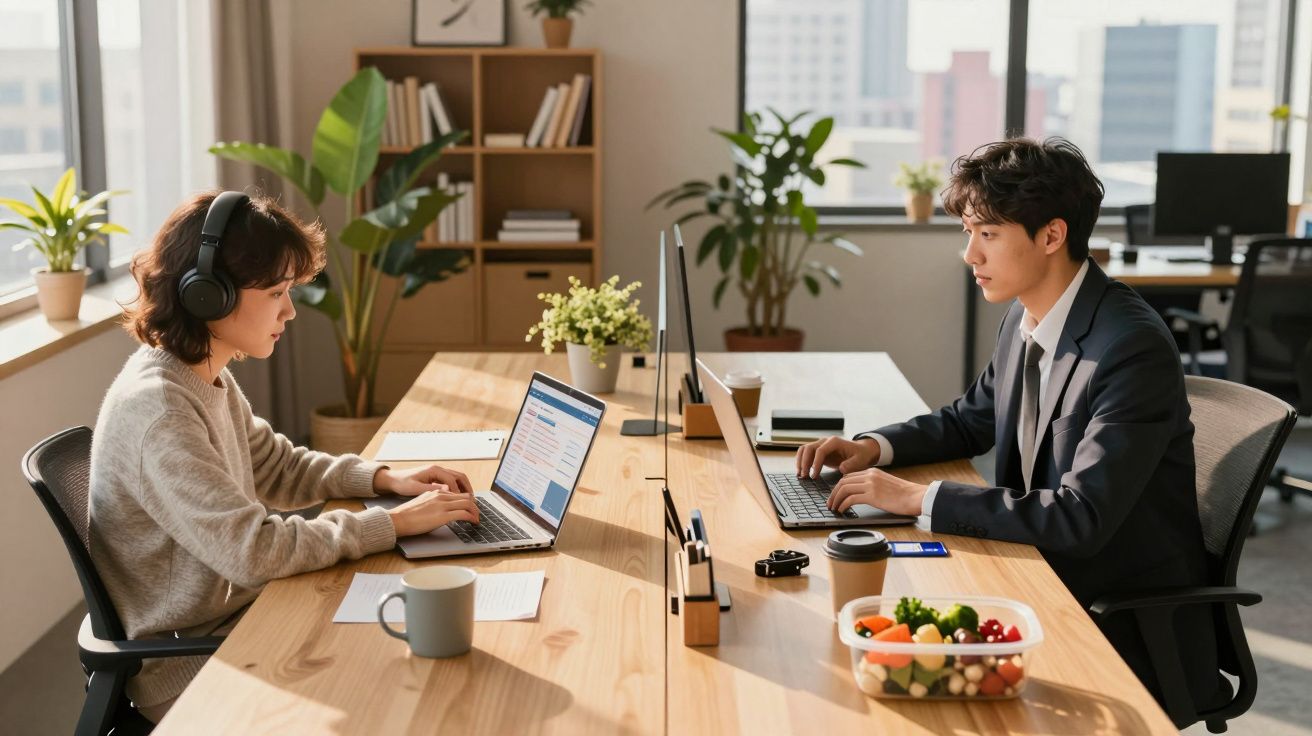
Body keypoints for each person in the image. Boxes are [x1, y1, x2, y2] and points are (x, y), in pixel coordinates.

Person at [796, 138, 1220, 715]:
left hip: (1114, 618)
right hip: (1038, 574)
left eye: (988, 235)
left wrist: (918, 497)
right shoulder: (1028, 312)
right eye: (968, 233)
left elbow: (1082, 517)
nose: (970, 255)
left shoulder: (1129, 347)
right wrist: (875, 447)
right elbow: (972, 418)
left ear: (1051, 236)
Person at [90, 191, 478, 722]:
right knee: (413, 693)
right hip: (192, 662)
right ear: (209, 295)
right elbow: (253, 552)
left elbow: (277, 466)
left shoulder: (202, 374)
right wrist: (391, 526)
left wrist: (385, 480)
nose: (290, 311)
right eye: (276, 292)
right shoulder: (160, 410)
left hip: (237, 617)